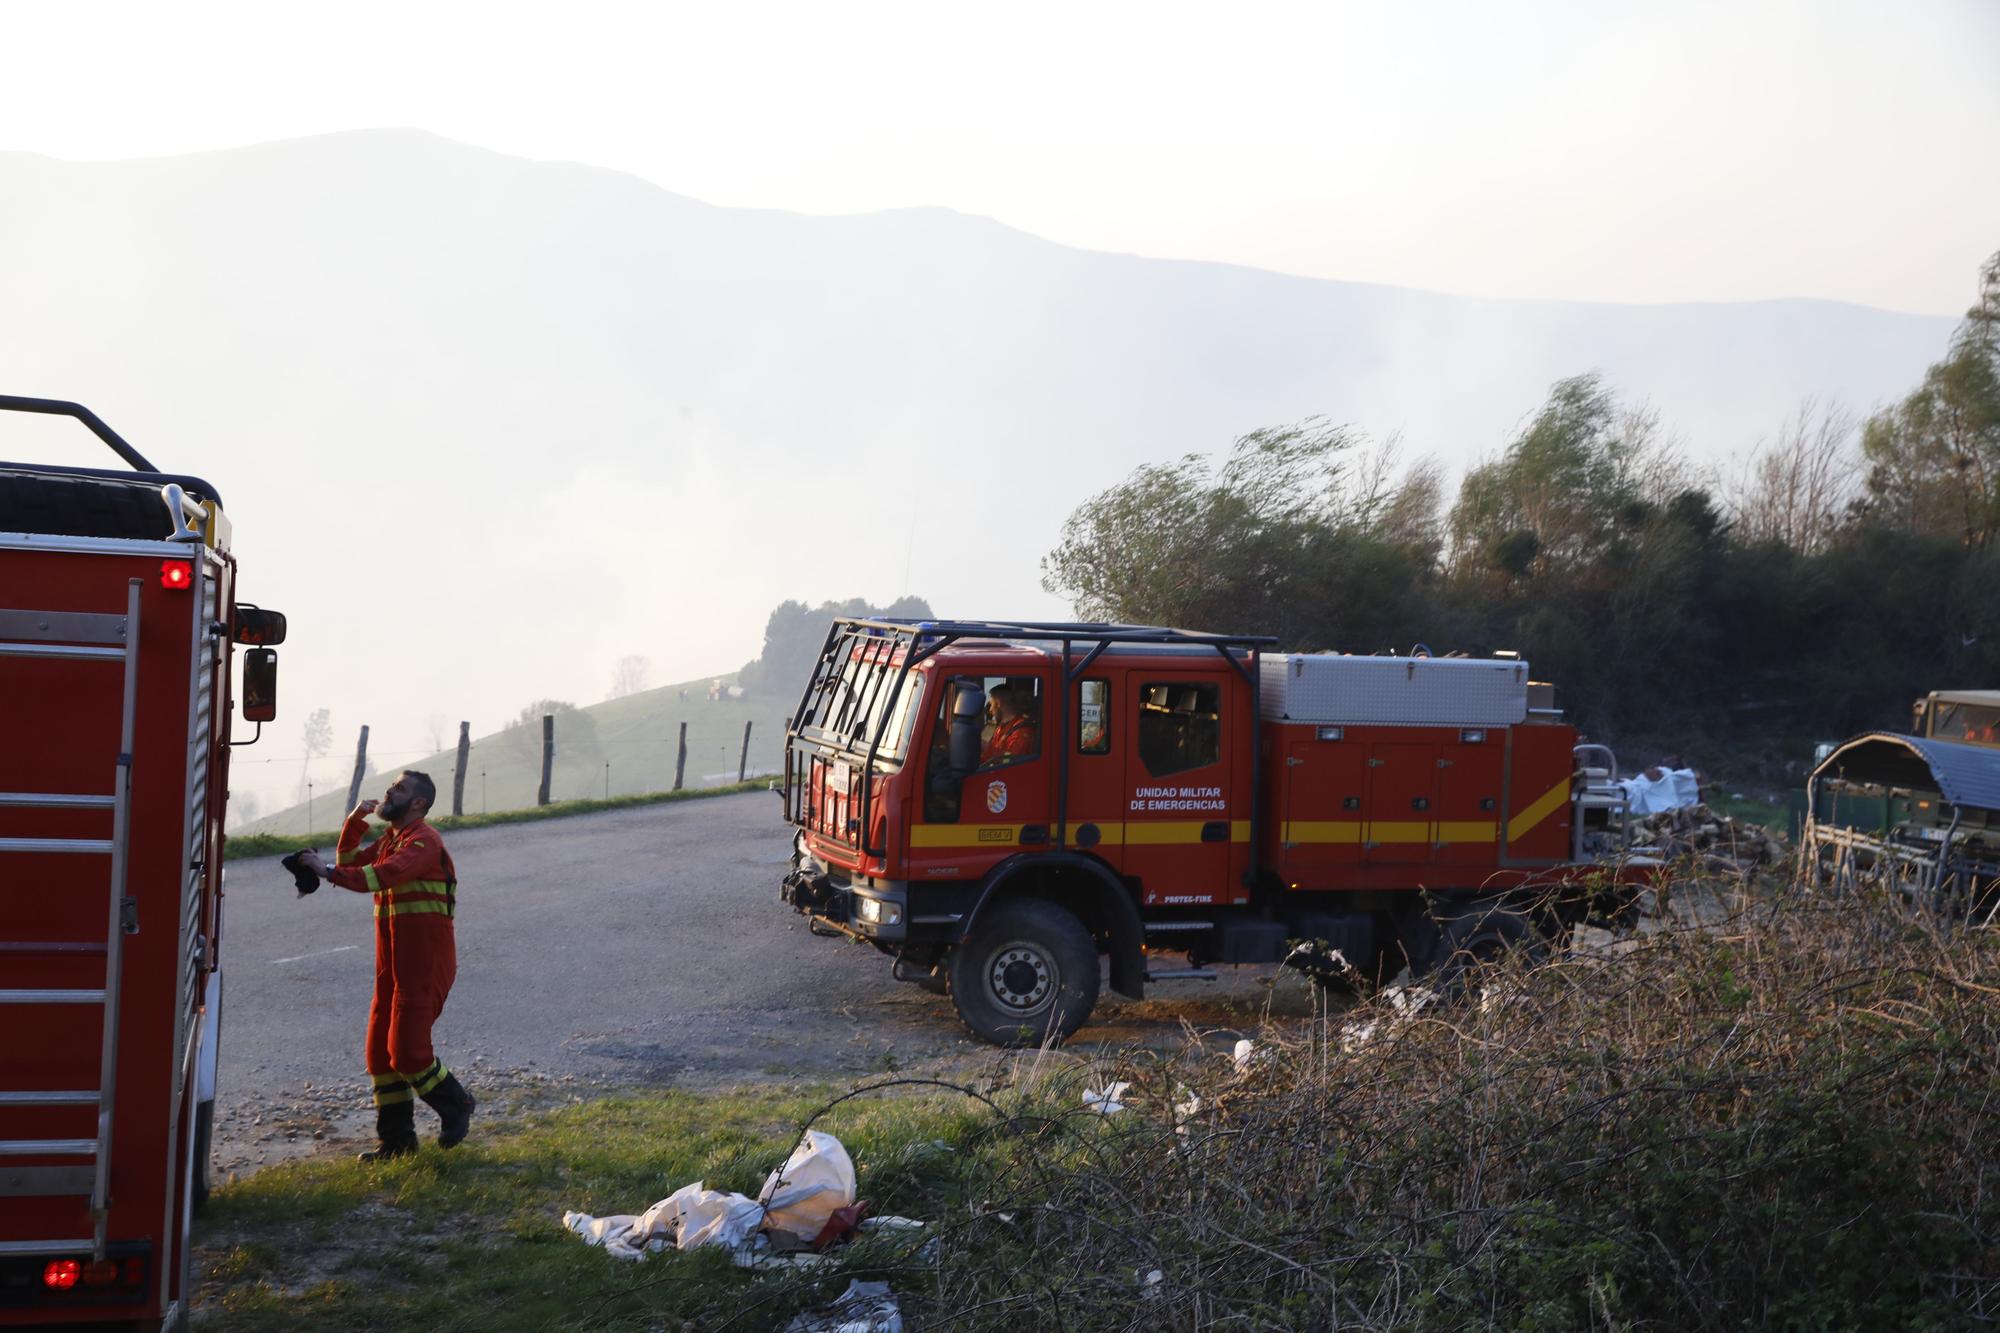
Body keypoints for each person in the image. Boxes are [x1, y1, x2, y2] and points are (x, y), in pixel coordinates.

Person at [298, 770, 474, 1161]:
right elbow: (350, 862)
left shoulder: (424, 841)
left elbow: (379, 876)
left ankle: (457, 1104)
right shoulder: (392, 839)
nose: (389, 792)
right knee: (380, 1053)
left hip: (425, 964)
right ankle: (396, 1142)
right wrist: (354, 821)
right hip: (392, 965)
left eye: (400, 789)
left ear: (418, 804)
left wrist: (323, 871)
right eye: (392, 786)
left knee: (408, 1053)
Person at [980, 683, 1037, 766]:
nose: (990, 709)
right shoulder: (1001, 727)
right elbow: (987, 759)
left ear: (998, 703)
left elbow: (1011, 761)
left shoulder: (1022, 731)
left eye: (992, 704)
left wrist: (986, 747)